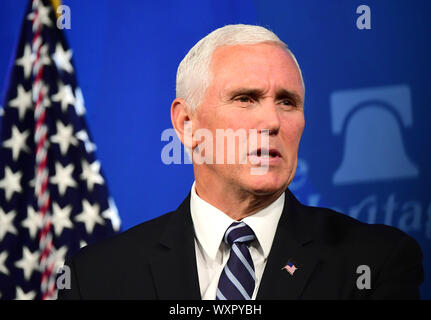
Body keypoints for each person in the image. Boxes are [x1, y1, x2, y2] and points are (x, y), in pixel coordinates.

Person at [58, 24, 424, 300]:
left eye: (287, 102)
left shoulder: (375, 263)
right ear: (187, 124)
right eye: (246, 98)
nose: (272, 122)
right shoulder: (97, 278)